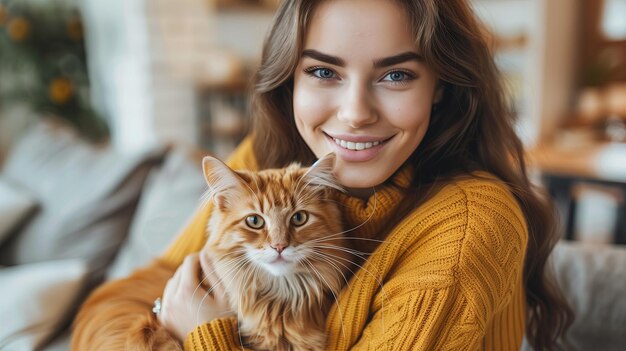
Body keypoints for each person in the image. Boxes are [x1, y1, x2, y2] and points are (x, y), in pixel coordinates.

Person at [72, 0, 574, 350]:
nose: (355, 113)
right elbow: (114, 302)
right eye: (324, 72)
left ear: (440, 85)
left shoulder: (468, 225)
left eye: (395, 74)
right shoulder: (265, 165)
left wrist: (206, 334)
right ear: (289, 79)